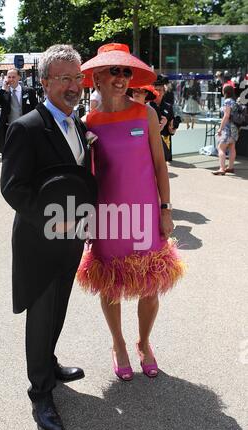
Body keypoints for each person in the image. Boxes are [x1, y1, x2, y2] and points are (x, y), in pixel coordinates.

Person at [0, 44, 97, 430]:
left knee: (58, 308)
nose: (74, 86)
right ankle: (40, 391)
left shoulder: (79, 125)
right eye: (64, 79)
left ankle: (49, 362)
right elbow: (13, 189)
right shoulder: (25, 128)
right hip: (40, 243)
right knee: (40, 316)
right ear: (44, 83)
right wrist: (53, 222)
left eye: (78, 78)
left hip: (70, 239)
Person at [77, 43, 184, 382]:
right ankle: (119, 344)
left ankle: (145, 342)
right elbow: (86, 176)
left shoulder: (146, 114)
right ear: (97, 76)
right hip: (108, 218)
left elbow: (159, 166)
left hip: (146, 214)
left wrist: (166, 209)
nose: (121, 78)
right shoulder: (88, 122)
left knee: (150, 286)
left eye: (125, 71)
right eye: (114, 71)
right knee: (110, 285)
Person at [0, 68, 38, 153]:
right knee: (11, 153)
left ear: (19, 77)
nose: (11, 79)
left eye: (13, 77)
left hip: (26, 128)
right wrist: (2, 89)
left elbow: (35, 109)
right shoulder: (4, 92)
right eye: (9, 77)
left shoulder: (29, 91)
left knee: (26, 152)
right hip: (9, 129)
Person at [150, 75, 179, 162]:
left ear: (164, 92)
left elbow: (171, 129)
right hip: (150, 142)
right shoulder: (147, 106)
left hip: (165, 142)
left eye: (160, 90)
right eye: (156, 90)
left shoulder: (168, 106)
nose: (158, 92)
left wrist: (172, 128)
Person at [212, 85, 239, 175]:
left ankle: (222, 168)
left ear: (225, 92)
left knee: (221, 147)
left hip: (227, 128)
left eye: (222, 89)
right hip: (235, 128)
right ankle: (230, 167)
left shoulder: (227, 101)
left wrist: (220, 129)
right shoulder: (234, 101)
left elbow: (226, 116)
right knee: (232, 147)